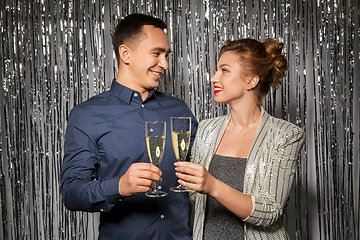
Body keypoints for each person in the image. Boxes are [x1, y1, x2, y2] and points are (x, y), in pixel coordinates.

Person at [61, 13, 198, 240]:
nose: (164, 64)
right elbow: (71, 193)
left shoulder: (179, 110)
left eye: (166, 55)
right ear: (125, 53)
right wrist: (120, 186)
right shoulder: (87, 115)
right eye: (156, 53)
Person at [174, 38, 306, 239]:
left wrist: (213, 186)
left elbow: (270, 212)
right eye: (217, 70)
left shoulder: (285, 135)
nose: (214, 78)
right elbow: (195, 196)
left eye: (224, 71)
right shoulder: (207, 129)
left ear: (251, 81)